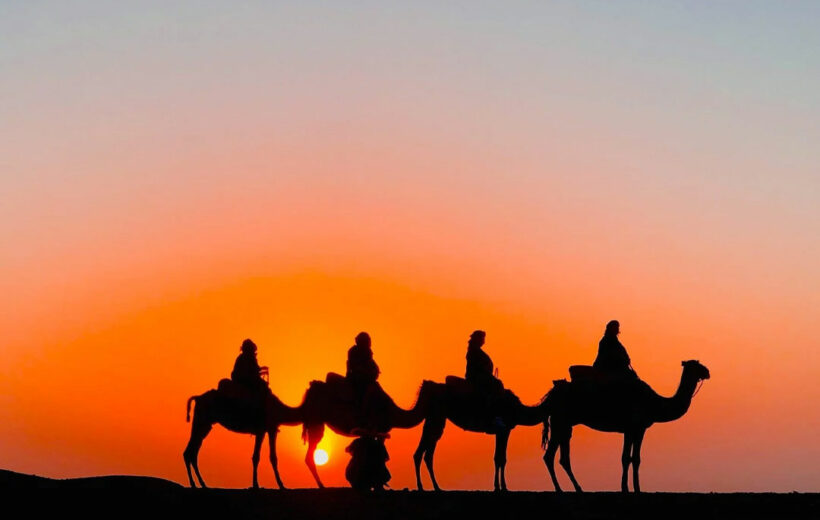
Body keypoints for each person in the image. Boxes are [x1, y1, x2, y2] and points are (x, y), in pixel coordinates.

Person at [464, 330, 506, 430]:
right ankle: (494, 417)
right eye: (482, 338)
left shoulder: (475, 351)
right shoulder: (474, 352)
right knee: (497, 386)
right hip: (477, 379)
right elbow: (478, 369)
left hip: (481, 378)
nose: (483, 340)